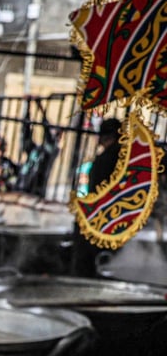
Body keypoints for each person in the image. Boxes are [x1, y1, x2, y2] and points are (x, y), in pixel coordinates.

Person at [70, 117, 122, 277]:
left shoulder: (108, 159)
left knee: (89, 261)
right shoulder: (125, 157)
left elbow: (96, 191)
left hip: (104, 218)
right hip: (114, 217)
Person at [16, 99, 61, 197]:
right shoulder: (35, 149)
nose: (52, 133)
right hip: (21, 186)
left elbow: (48, 134)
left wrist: (40, 109)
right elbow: (25, 135)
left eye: (55, 132)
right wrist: (28, 108)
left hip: (35, 191)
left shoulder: (52, 150)